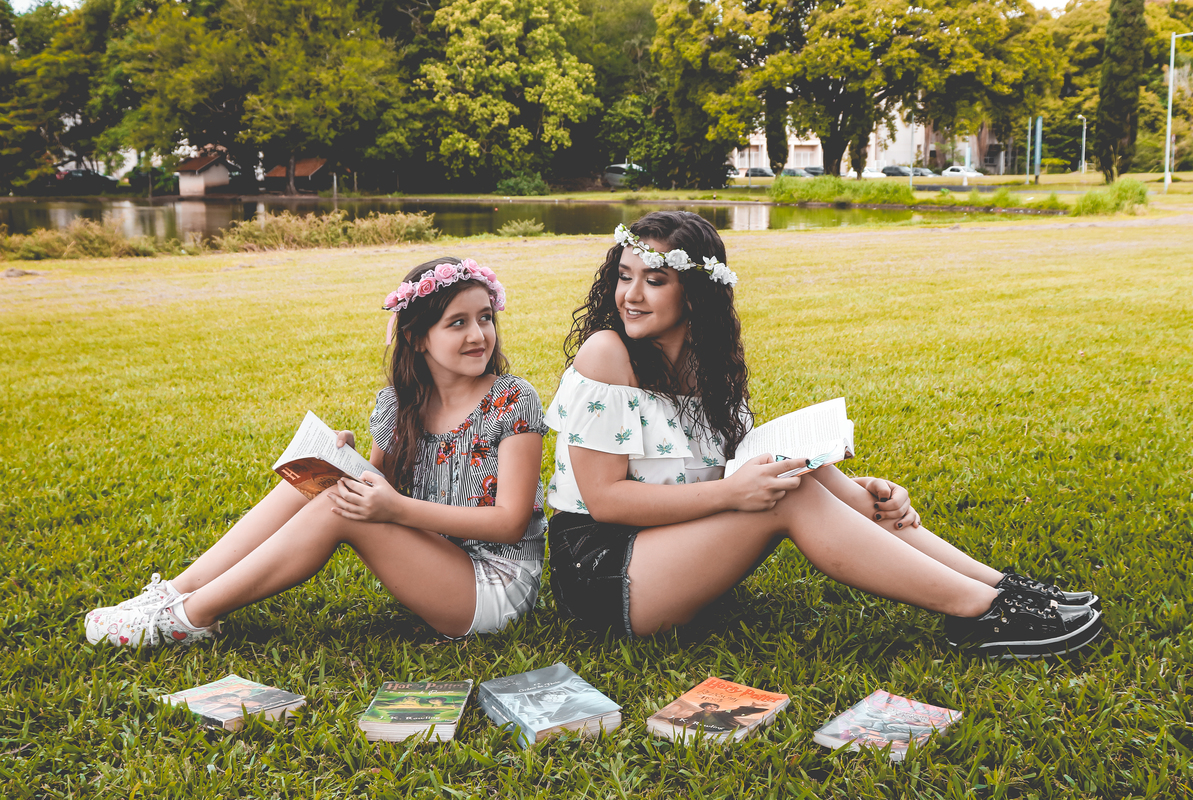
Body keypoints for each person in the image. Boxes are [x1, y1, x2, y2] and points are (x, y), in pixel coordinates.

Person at [545, 211, 1101, 658]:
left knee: (799, 474)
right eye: (625, 276)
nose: (631, 295)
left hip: (668, 550)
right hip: (602, 568)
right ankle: (979, 613)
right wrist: (731, 494)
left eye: (654, 280)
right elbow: (606, 501)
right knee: (787, 498)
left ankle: (1001, 587)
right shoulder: (607, 353)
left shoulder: (704, 365)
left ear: (694, 292)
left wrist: (862, 495)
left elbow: (751, 459)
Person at [86, 257, 548, 647]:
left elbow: (510, 523)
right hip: (435, 559)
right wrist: (347, 463)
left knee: (337, 505)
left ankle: (187, 619)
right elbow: (379, 486)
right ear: (416, 336)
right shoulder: (398, 404)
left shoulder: (511, 399)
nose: (478, 335)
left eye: (485, 318)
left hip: (496, 585)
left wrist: (396, 508)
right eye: (458, 323)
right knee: (319, 480)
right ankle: (172, 592)